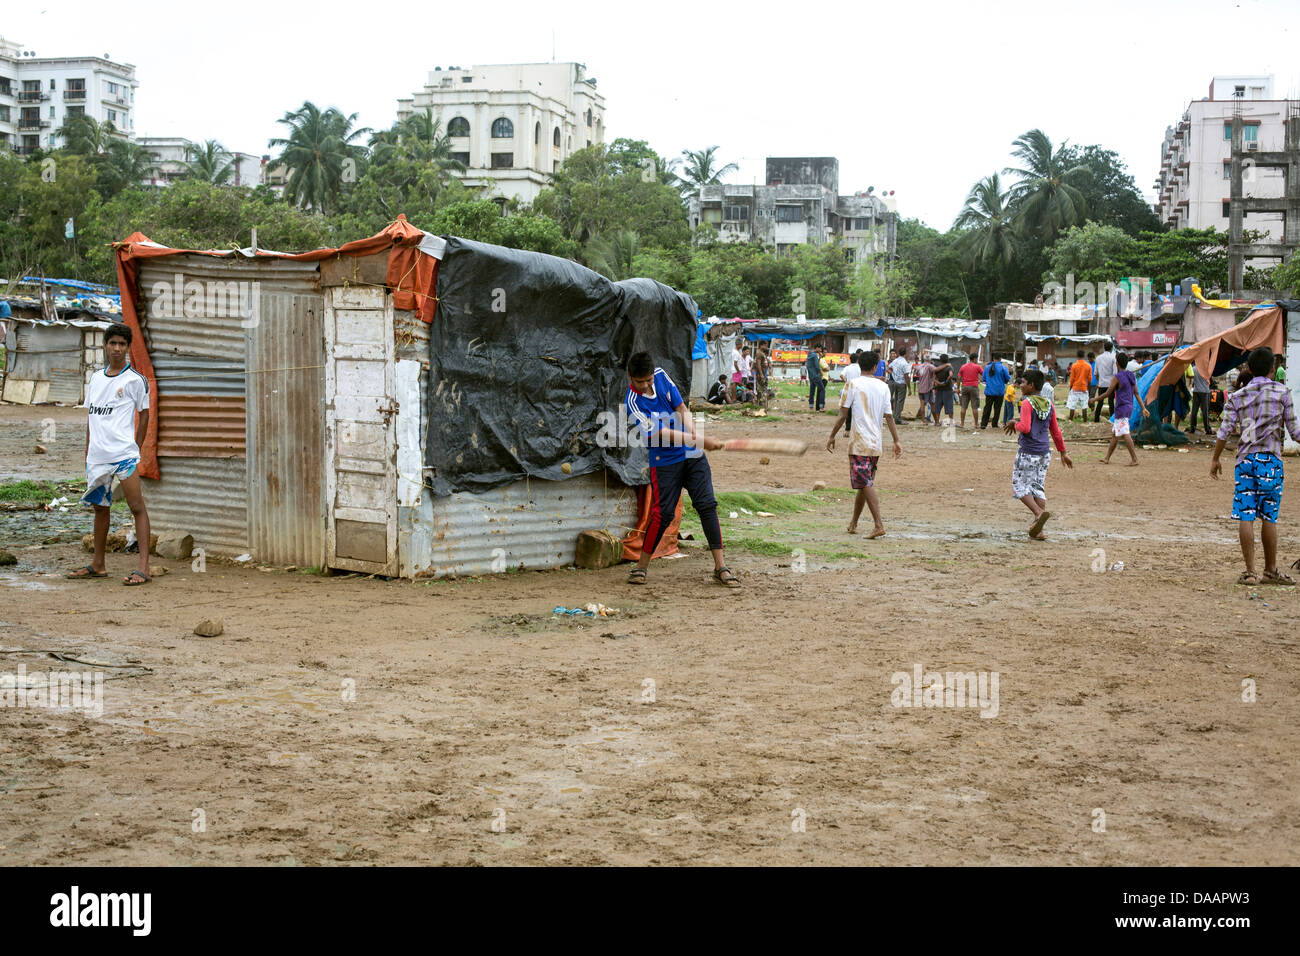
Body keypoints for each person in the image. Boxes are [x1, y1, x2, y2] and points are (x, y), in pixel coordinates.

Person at [624, 352, 739, 588]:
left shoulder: (661, 376)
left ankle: (721, 567)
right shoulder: (632, 403)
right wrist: (695, 439)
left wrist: (696, 437)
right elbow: (659, 433)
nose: (645, 386)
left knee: (707, 505)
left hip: (693, 456)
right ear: (630, 378)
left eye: (648, 381)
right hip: (664, 460)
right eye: (640, 382)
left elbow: (682, 408)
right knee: (663, 514)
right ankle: (641, 566)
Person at [67, 323, 153, 586]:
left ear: (128, 347)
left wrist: (136, 447)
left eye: (122, 344)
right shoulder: (95, 379)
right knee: (100, 509)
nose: (117, 348)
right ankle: (98, 565)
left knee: (136, 507)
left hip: (124, 456)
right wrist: (87, 451)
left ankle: (144, 568)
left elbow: (145, 414)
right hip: (97, 456)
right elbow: (92, 417)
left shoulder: (135, 380)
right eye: (112, 343)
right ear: (105, 345)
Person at [1211, 347, 1300, 586]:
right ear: (1273, 368)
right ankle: (1270, 570)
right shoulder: (1282, 393)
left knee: (1246, 515)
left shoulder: (1238, 396)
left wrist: (1215, 459)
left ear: (1248, 369)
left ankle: (1250, 572)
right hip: (1271, 461)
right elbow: (1295, 432)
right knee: (1269, 517)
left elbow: (1224, 432)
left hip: (1245, 461)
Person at [827, 349, 901, 539]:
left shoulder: (852, 385)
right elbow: (889, 416)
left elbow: (843, 415)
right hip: (876, 443)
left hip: (859, 442)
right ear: (875, 367)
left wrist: (832, 435)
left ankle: (878, 525)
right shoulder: (883, 386)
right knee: (864, 483)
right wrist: (896, 440)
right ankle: (853, 523)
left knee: (865, 483)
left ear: (859, 365)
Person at [1004, 368, 1073, 540]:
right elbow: (1055, 431)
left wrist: (1014, 423)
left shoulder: (1027, 403)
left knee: (1019, 486)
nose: (1021, 386)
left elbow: (1026, 428)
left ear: (1031, 385)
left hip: (1028, 452)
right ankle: (1039, 529)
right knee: (1037, 488)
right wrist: (1063, 452)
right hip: (1044, 453)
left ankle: (1038, 512)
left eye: (1024, 383)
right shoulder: (1048, 404)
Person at [1092, 350, 1147, 466]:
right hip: (1128, 406)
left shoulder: (1117, 377)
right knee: (1115, 434)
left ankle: (1135, 459)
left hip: (1121, 408)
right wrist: (1143, 408)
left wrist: (1094, 399)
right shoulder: (1131, 375)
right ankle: (1107, 458)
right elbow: (1136, 393)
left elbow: (1107, 393)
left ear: (1116, 363)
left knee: (1125, 433)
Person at [980, 353, 1010, 430]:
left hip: (989, 391)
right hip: (999, 391)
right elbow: (1007, 378)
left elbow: (983, 379)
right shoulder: (1003, 368)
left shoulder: (987, 368)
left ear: (993, 359)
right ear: (1000, 359)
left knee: (987, 407)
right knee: (997, 408)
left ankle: (983, 424)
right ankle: (994, 424)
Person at [1092, 342, 1117, 423]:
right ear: (1111, 348)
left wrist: (1100, 379)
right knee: (1111, 402)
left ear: (1104, 347)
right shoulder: (1113, 357)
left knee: (1100, 402)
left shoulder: (1098, 358)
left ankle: (1096, 419)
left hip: (1102, 384)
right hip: (1111, 384)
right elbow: (1115, 373)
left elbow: (1095, 373)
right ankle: (1112, 420)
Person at [958, 352, 983, 429]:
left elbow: (958, 378)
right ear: (974, 359)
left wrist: (957, 388)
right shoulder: (977, 367)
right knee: (974, 407)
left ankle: (962, 423)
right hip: (974, 387)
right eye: (977, 359)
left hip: (965, 387)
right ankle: (976, 424)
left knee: (963, 406)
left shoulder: (963, 366)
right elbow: (984, 374)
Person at [1066, 349, 1092, 421]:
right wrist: (1088, 389)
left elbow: (1072, 379)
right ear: (1084, 356)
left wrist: (1070, 388)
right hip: (1084, 388)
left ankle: (1070, 420)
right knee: (1084, 406)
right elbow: (1089, 380)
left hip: (1075, 388)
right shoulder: (1088, 366)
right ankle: (1085, 421)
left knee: (1072, 406)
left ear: (1077, 356)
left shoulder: (1074, 366)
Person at [1188, 362, 1212, 435]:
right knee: (1205, 411)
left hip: (1196, 391)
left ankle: (1192, 428)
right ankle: (1207, 429)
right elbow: (1210, 380)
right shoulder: (1207, 369)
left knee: (1194, 410)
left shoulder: (1193, 369)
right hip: (1205, 391)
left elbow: (1191, 380)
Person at [930, 354, 954, 426]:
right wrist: (946, 381)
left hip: (939, 390)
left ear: (940, 361)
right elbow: (951, 375)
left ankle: (937, 422)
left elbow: (933, 379)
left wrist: (939, 383)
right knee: (949, 406)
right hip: (948, 389)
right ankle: (951, 422)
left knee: (937, 406)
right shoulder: (949, 367)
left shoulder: (938, 369)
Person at [888, 348, 910, 422]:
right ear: (905, 354)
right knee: (900, 401)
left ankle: (896, 416)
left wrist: (894, 375)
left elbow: (888, 368)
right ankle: (897, 418)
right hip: (902, 384)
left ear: (899, 353)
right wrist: (909, 388)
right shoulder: (905, 363)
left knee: (896, 400)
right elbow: (907, 376)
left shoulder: (895, 361)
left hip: (895, 382)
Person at [914, 353, 936, 423]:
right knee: (932, 404)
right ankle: (936, 421)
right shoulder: (930, 366)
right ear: (930, 359)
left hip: (921, 388)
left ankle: (923, 421)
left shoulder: (919, 366)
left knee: (922, 405)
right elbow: (936, 370)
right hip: (928, 388)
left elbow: (916, 373)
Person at [806, 346, 825, 411]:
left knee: (812, 391)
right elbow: (817, 366)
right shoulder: (814, 355)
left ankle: (811, 406)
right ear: (817, 348)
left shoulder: (809, 355)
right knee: (822, 390)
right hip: (816, 376)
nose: (820, 350)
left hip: (811, 376)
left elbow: (811, 365)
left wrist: (819, 357)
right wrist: (821, 373)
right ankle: (821, 407)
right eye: (820, 349)